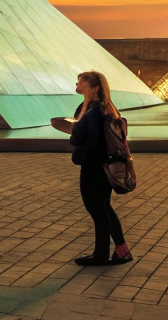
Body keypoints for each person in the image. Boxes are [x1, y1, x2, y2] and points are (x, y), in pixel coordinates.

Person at [54, 70, 132, 267]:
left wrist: (74, 135)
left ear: (94, 88)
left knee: (97, 210)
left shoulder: (95, 111)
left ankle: (101, 255)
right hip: (103, 165)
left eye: (82, 82)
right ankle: (122, 251)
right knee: (104, 207)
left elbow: (88, 140)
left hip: (94, 167)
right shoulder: (101, 107)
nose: (78, 84)